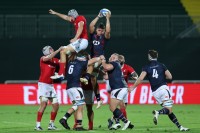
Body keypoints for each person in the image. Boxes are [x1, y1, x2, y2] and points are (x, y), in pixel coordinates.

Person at [129, 50, 189, 132]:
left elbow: (140, 79)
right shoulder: (161, 65)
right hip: (163, 88)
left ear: (149, 56)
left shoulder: (146, 67)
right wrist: (161, 76)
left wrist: (133, 87)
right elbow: (170, 76)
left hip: (155, 92)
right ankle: (158, 112)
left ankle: (180, 127)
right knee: (168, 109)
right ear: (157, 56)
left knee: (169, 111)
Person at [59, 52, 101, 131]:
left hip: (68, 87)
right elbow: (92, 62)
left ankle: (64, 118)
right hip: (76, 87)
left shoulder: (70, 62)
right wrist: (100, 58)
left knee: (76, 106)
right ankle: (79, 125)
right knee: (80, 107)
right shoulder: (81, 63)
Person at [80, 10, 111, 109]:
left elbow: (108, 31)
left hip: (100, 59)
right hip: (93, 59)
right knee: (94, 80)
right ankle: (98, 99)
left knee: (90, 64)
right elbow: (90, 26)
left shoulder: (104, 38)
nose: (100, 31)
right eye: (99, 30)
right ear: (97, 30)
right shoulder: (93, 35)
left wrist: (107, 18)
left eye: (102, 30)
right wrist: (98, 16)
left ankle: (87, 78)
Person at [49, 9, 88, 80]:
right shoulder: (75, 19)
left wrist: (75, 38)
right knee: (65, 54)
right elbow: (65, 17)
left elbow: (80, 28)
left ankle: (61, 74)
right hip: (80, 41)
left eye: (70, 16)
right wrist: (55, 13)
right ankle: (62, 72)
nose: (69, 18)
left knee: (63, 51)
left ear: (73, 16)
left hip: (82, 41)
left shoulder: (80, 18)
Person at [100, 53, 134, 130]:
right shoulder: (116, 65)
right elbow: (106, 77)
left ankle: (125, 122)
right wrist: (99, 70)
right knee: (114, 107)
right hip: (121, 88)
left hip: (118, 88)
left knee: (112, 107)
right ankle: (119, 123)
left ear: (114, 58)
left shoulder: (114, 63)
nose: (110, 57)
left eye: (111, 56)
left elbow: (106, 67)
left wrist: (103, 60)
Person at [35, 45, 62, 130]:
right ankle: (38, 125)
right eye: (50, 49)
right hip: (43, 84)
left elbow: (63, 62)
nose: (52, 49)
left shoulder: (55, 60)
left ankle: (51, 124)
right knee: (44, 104)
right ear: (47, 51)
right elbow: (49, 57)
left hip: (50, 85)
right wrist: (58, 50)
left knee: (56, 105)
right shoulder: (43, 58)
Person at [108, 55, 138, 129]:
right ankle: (122, 122)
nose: (120, 62)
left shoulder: (127, 68)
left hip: (124, 89)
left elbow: (136, 76)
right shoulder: (113, 66)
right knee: (118, 107)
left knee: (123, 108)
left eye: (121, 61)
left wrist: (130, 79)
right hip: (117, 88)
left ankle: (114, 120)